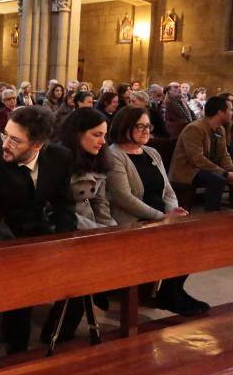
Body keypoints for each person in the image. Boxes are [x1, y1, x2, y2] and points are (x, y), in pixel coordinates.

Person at [0, 106, 76, 353]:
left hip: (35, 232)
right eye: (4, 134)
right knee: (3, 302)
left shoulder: (60, 157)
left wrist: (68, 243)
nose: (5, 144)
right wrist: (14, 252)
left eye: (15, 140)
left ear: (37, 145)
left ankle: (25, 347)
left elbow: (64, 204)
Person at [106, 106, 209, 316]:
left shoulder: (152, 152)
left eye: (148, 126)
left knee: (194, 241)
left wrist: (173, 210)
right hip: (132, 221)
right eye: (140, 126)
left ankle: (173, 290)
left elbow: (167, 189)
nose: (146, 131)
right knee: (177, 242)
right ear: (124, 127)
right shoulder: (113, 155)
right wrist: (162, 217)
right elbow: (123, 197)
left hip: (160, 217)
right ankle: (168, 293)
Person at [40, 108, 116, 344]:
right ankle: (56, 331)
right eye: (96, 135)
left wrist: (112, 230)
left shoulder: (98, 159)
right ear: (77, 134)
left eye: (104, 135)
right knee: (84, 266)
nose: (103, 141)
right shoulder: (56, 159)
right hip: (58, 232)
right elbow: (51, 211)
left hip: (89, 230)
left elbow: (101, 203)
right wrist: (97, 232)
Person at [169, 96, 233, 211]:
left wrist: (231, 170)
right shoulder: (195, 128)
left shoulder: (220, 129)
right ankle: (211, 215)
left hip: (207, 169)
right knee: (217, 179)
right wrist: (225, 173)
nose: (232, 113)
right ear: (220, 113)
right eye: (230, 110)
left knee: (223, 176)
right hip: (188, 171)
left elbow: (224, 154)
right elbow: (197, 159)